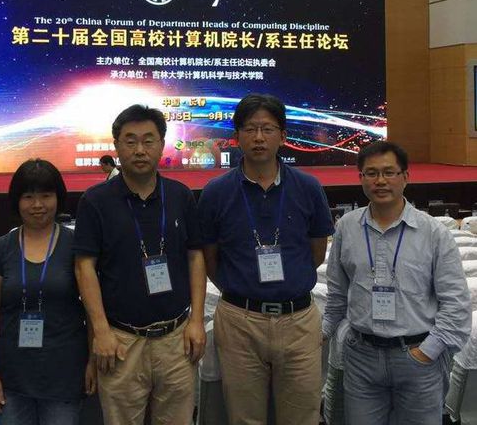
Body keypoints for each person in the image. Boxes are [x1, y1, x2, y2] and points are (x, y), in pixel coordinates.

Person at [198, 93, 334, 425]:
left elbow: (316, 251)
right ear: (237, 136)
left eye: (268, 129)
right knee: (244, 418)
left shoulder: (308, 187)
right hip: (239, 321)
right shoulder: (216, 191)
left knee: (302, 417)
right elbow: (210, 258)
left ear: (283, 136)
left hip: (298, 320)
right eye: (250, 129)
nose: (259, 137)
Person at [74, 104, 206, 425]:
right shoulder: (95, 201)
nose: (140, 150)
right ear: (116, 146)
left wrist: (197, 321)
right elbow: (84, 267)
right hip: (121, 341)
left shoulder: (180, 196)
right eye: (130, 141)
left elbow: (195, 257)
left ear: (162, 145)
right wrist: (101, 332)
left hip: (176, 339)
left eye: (148, 140)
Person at [323, 140, 472, 425]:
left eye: (389, 172)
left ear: (406, 177)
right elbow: (337, 294)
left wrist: (426, 352)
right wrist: (328, 334)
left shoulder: (433, 232)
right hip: (361, 358)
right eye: (371, 173)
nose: (380, 181)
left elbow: (456, 303)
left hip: (418, 359)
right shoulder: (346, 227)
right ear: (361, 178)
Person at [0, 159, 92, 425]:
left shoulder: (76, 246)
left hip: (64, 375)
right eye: (28, 197)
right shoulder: (1, 249)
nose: (38, 205)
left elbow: (92, 311)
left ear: (58, 198)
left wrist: (93, 362)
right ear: (17, 201)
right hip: (13, 376)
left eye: (46, 195)